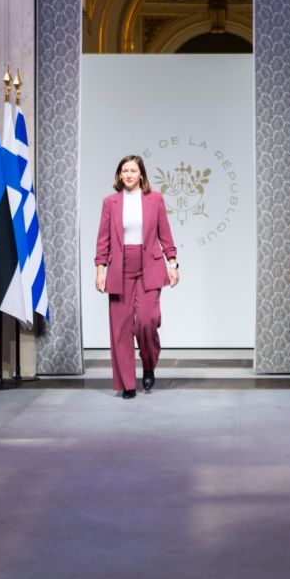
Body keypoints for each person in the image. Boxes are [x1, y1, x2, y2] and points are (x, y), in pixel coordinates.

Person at [95, 154, 179, 399]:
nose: (129, 175)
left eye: (133, 170)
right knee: (120, 328)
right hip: (119, 269)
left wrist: (173, 263)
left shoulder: (155, 199)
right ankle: (128, 384)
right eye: (125, 171)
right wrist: (100, 270)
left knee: (146, 320)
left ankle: (149, 362)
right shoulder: (110, 202)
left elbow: (165, 233)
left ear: (141, 173)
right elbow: (103, 240)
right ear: (119, 175)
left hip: (149, 266)